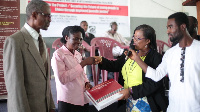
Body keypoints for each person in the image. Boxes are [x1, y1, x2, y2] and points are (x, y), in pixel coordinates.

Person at [126, 12, 200, 112]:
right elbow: (157, 75)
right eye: (167, 27)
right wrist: (137, 59)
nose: (167, 31)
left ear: (183, 26)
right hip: (174, 107)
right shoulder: (169, 54)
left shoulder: (198, 48)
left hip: (195, 107)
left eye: (170, 27)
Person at [97, 24, 168, 112]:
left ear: (147, 41)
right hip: (130, 100)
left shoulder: (156, 58)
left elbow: (154, 84)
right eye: (133, 37)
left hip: (147, 102)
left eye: (138, 38)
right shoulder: (130, 53)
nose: (134, 41)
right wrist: (100, 60)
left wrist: (132, 91)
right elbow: (116, 65)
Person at [3, 1, 55, 112]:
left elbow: (45, 79)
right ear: (34, 15)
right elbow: (15, 87)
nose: (50, 19)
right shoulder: (15, 41)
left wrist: (50, 106)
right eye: (47, 15)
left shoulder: (40, 40)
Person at [51, 26, 98, 112]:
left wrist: (86, 82)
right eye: (75, 39)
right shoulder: (58, 55)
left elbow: (82, 73)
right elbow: (63, 79)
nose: (79, 42)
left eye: (81, 39)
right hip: (69, 101)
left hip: (83, 98)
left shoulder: (77, 54)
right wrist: (84, 63)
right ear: (66, 38)